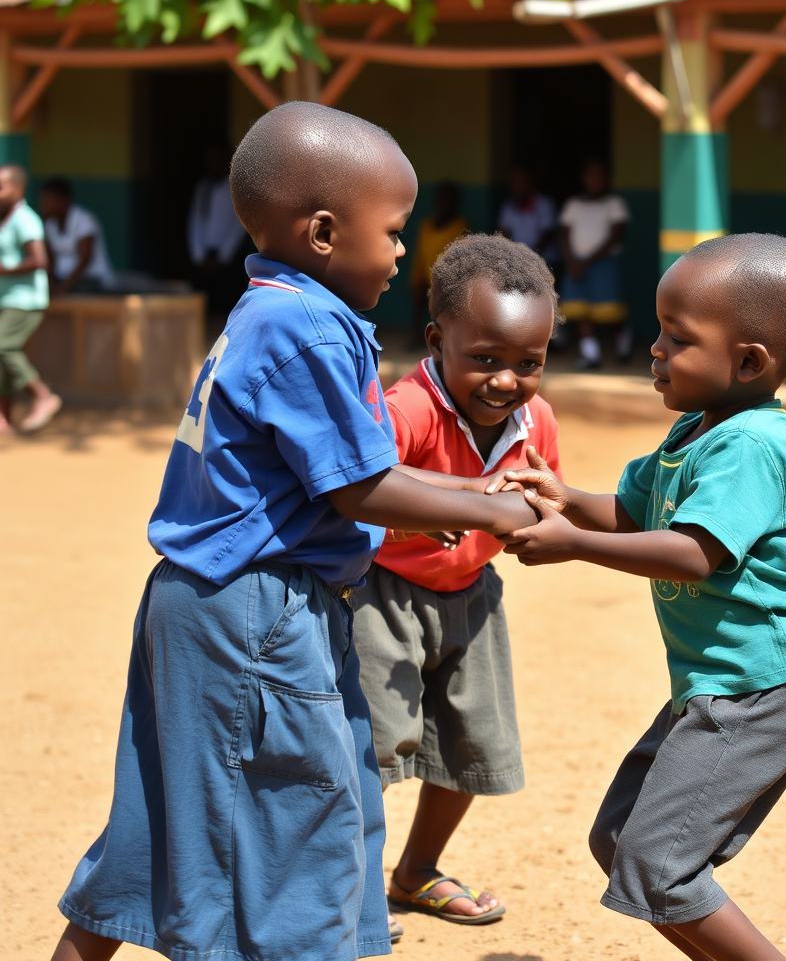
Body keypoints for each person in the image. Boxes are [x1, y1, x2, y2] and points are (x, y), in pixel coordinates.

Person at [48, 103, 539, 961]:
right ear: (321, 231)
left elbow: (354, 468)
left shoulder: (274, 309)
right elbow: (361, 488)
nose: (399, 253)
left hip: (219, 604)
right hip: (257, 614)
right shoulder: (306, 325)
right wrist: (491, 507)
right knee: (299, 823)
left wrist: (484, 490)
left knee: (184, 815)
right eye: (391, 232)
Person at [492, 233, 786, 961]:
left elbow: (693, 551)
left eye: (676, 338)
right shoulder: (695, 431)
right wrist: (568, 500)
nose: (653, 349)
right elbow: (638, 513)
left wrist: (574, 544)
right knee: (621, 841)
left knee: (659, 865)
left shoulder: (749, 447)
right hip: (715, 686)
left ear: (748, 362)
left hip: (763, 689)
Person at [352, 234, 562, 940]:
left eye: (527, 363)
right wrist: (417, 525)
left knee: (471, 741)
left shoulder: (536, 422)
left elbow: (544, 500)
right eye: (485, 360)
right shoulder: (404, 410)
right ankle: (350, 892)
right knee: (373, 750)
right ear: (438, 341)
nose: (506, 381)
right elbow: (360, 506)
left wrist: (538, 523)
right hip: (383, 597)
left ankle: (415, 871)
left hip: (473, 595)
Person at [0, 164, 63, 435]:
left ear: (18, 189)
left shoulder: (26, 219)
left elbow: (39, 260)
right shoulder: (6, 219)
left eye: (1, 187)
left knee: (3, 346)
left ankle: (42, 395)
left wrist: (5, 270)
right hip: (7, 298)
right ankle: (3, 419)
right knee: (2, 357)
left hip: (26, 300)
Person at [558, 159, 632, 369]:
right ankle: (591, 355)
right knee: (579, 310)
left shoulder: (614, 204)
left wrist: (587, 261)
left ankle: (623, 337)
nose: (594, 180)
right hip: (576, 264)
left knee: (609, 313)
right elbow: (563, 234)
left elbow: (615, 236)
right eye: (590, 175)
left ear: (607, 179)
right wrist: (571, 261)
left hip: (604, 264)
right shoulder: (574, 204)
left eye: (599, 175)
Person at [187, 144, 250, 314]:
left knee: (227, 305)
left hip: (227, 258)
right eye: (209, 160)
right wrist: (199, 255)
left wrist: (222, 257)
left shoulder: (234, 189)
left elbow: (237, 226)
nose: (212, 164)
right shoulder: (203, 188)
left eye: (216, 160)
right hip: (204, 257)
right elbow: (196, 222)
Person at [408, 180, 468, 339]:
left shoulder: (460, 226)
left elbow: (457, 259)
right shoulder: (426, 225)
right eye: (440, 198)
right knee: (419, 291)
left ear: (455, 202)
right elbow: (419, 255)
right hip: (426, 277)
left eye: (447, 198)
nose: (443, 203)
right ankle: (417, 335)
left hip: (446, 279)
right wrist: (418, 277)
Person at [39, 177, 115, 295]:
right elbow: (50, 259)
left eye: (49, 201)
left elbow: (85, 260)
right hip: (62, 278)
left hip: (92, 279)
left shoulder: (84, 220)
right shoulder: (50, 224)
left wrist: (63, 289)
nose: (45, 206)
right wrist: (51, 285)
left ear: (64, 200)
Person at [497, 165, 558, 268]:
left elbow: (547, 236)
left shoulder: (544, 205)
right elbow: (502, 233)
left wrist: (529, 257)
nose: (515, 185)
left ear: (530, 182)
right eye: (513, 182)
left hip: (545, 263)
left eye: (519, 181)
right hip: (518, 263)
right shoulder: (508, 207)